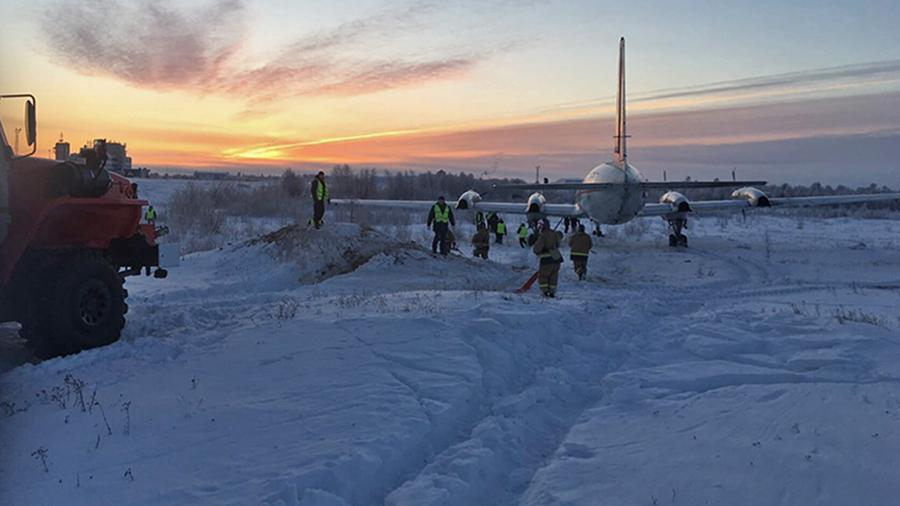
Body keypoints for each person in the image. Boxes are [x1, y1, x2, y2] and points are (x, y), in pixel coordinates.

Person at [532, 219, 563, 297]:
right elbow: (558, 243)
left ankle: (545, 291)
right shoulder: (554, 233)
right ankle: (552, 292)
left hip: (546, 259)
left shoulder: (543, 235)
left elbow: (537, 248)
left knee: (543, 276)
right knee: (553, 276)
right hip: (556, 258)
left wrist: (536, 249)